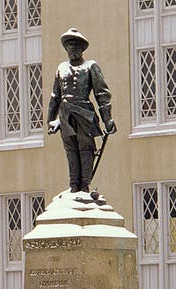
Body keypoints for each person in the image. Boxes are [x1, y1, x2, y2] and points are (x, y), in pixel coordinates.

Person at [47, 28, 116, 193]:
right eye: (69, 48)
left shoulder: (91, 66)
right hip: (65, 115)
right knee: (71, 150)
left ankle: (84, 185)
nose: (72, 51)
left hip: (84, 113)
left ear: (81, 49)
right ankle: (73, 185)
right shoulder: (61, 68)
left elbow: (102, 94)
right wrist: (52, 120)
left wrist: (108, 120)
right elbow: (55, 95)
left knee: (86, 149)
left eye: (76, 47)